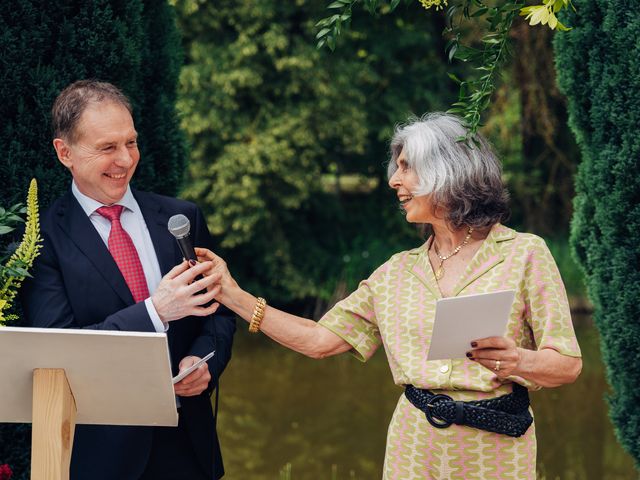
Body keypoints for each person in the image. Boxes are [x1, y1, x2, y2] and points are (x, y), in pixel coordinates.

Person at [196, 113, 582, 479]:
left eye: (405, 167)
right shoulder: (395, 272)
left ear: (445, 171)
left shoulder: (524, 253)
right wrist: (232, 295)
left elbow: (566, 364)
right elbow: (317, 341)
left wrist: (518, 360)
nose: (394, 181)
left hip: (495, 448)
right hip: (413, 447)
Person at [21, 80, 236, 480]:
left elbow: (219, 314)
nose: (125, 159)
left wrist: (207, 361)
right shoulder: (40, 239)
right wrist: (157, 310)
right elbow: (59, 350)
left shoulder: (181, 219)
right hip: (102, 454)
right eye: (107, 147)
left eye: (131, 143)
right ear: (64, 152)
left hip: (188, 444)